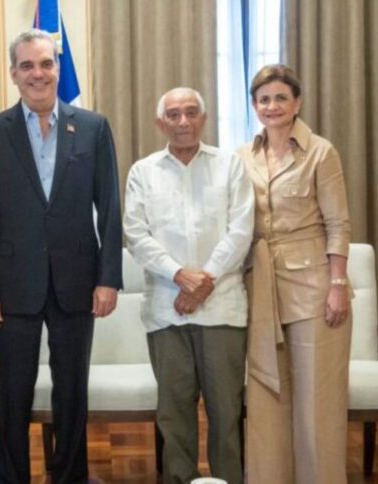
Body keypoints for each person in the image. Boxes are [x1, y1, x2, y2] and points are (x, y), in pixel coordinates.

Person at [0, 29, 122, 484]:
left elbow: (109, 207)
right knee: (13, 395)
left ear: (59, 68)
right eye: (28, 65)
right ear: (13, 73)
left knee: (72, 393)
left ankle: (69, 476)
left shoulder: (93, 127)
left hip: (78, 281)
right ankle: (11, 478)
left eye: (47, 64)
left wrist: (108, 277)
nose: (38, 73)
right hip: (11, 287)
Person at [123, 88, 254, 484]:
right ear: (160, 123)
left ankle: (228, 479)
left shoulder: (229, 166)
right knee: (174, 410)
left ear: (205, 118)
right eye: (174, 115)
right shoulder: (143, 172)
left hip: (223, 309)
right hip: (167, 309)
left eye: (191, 113)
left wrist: (203, 282)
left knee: (226, 410)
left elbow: (241, 229)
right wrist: (180, 275)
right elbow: (135, 233)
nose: (183, 122)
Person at [239, 64, 352, 483]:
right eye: (264, 99)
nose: (272, 106)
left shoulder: (321, 151)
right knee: (267, 401)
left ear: (297, 102)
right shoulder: (242, 156)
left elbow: (338, 223)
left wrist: (338, 285)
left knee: (316, 407)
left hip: (314, 290)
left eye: (280, 98)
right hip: (260, 290)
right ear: (255, 105)